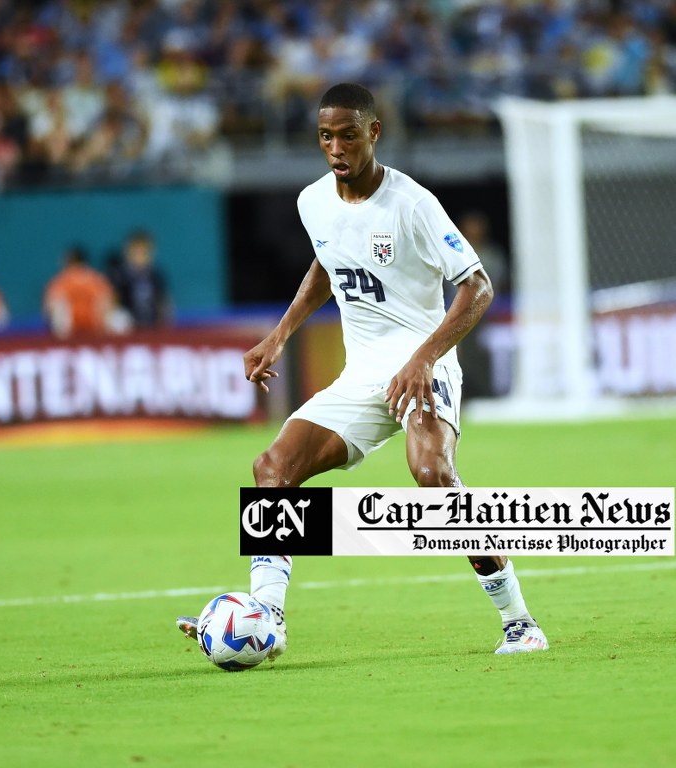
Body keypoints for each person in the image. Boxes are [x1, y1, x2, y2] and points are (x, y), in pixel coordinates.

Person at [176, 83, 548, 657]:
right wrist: (280, 334)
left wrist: (424, 357)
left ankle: (520, 622)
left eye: (348, 134)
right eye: (326, 136)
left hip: (424, 365)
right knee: (271, 469)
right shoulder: (312, 202)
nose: (336, 147)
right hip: (362, 374)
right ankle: (267, 618)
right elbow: (328, 265)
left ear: (374, 132)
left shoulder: (412, 203)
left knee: (432, 475)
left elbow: (478, 286)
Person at [43, 246, 115, 338]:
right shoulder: (98, 279)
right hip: (97, 330)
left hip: (67, 332)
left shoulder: (60, 281)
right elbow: (109, 303)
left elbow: (48, 308)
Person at [108, 230, 170, 328]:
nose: (140, 257)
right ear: (128, 252)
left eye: (144, 252)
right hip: (127, 326)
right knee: (118, 318)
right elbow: (111, 302)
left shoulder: (155, 276)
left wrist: (164, 319)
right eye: (136, 252)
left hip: (152, 323)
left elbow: (163, 302)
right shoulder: (120, 276)